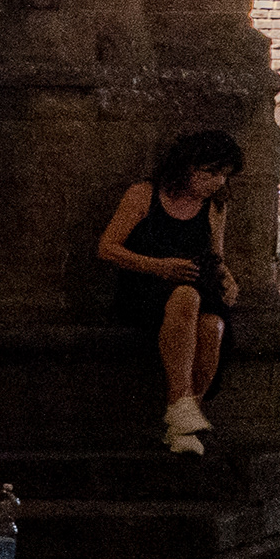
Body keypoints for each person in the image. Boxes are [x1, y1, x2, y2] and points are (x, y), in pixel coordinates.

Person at [97, 129, 243, 454]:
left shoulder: (214, 207)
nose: (218, 182)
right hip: (146, 286)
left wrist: (228, 279)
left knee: (213, 326)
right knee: (185, 297)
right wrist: (159, 266)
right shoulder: (144, 195)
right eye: (211, 173)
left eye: (224, 175)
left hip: (196, 283)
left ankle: (183, 420)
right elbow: (107, 247)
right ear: (188, 166)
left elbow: (216, 256)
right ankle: (181, 406)